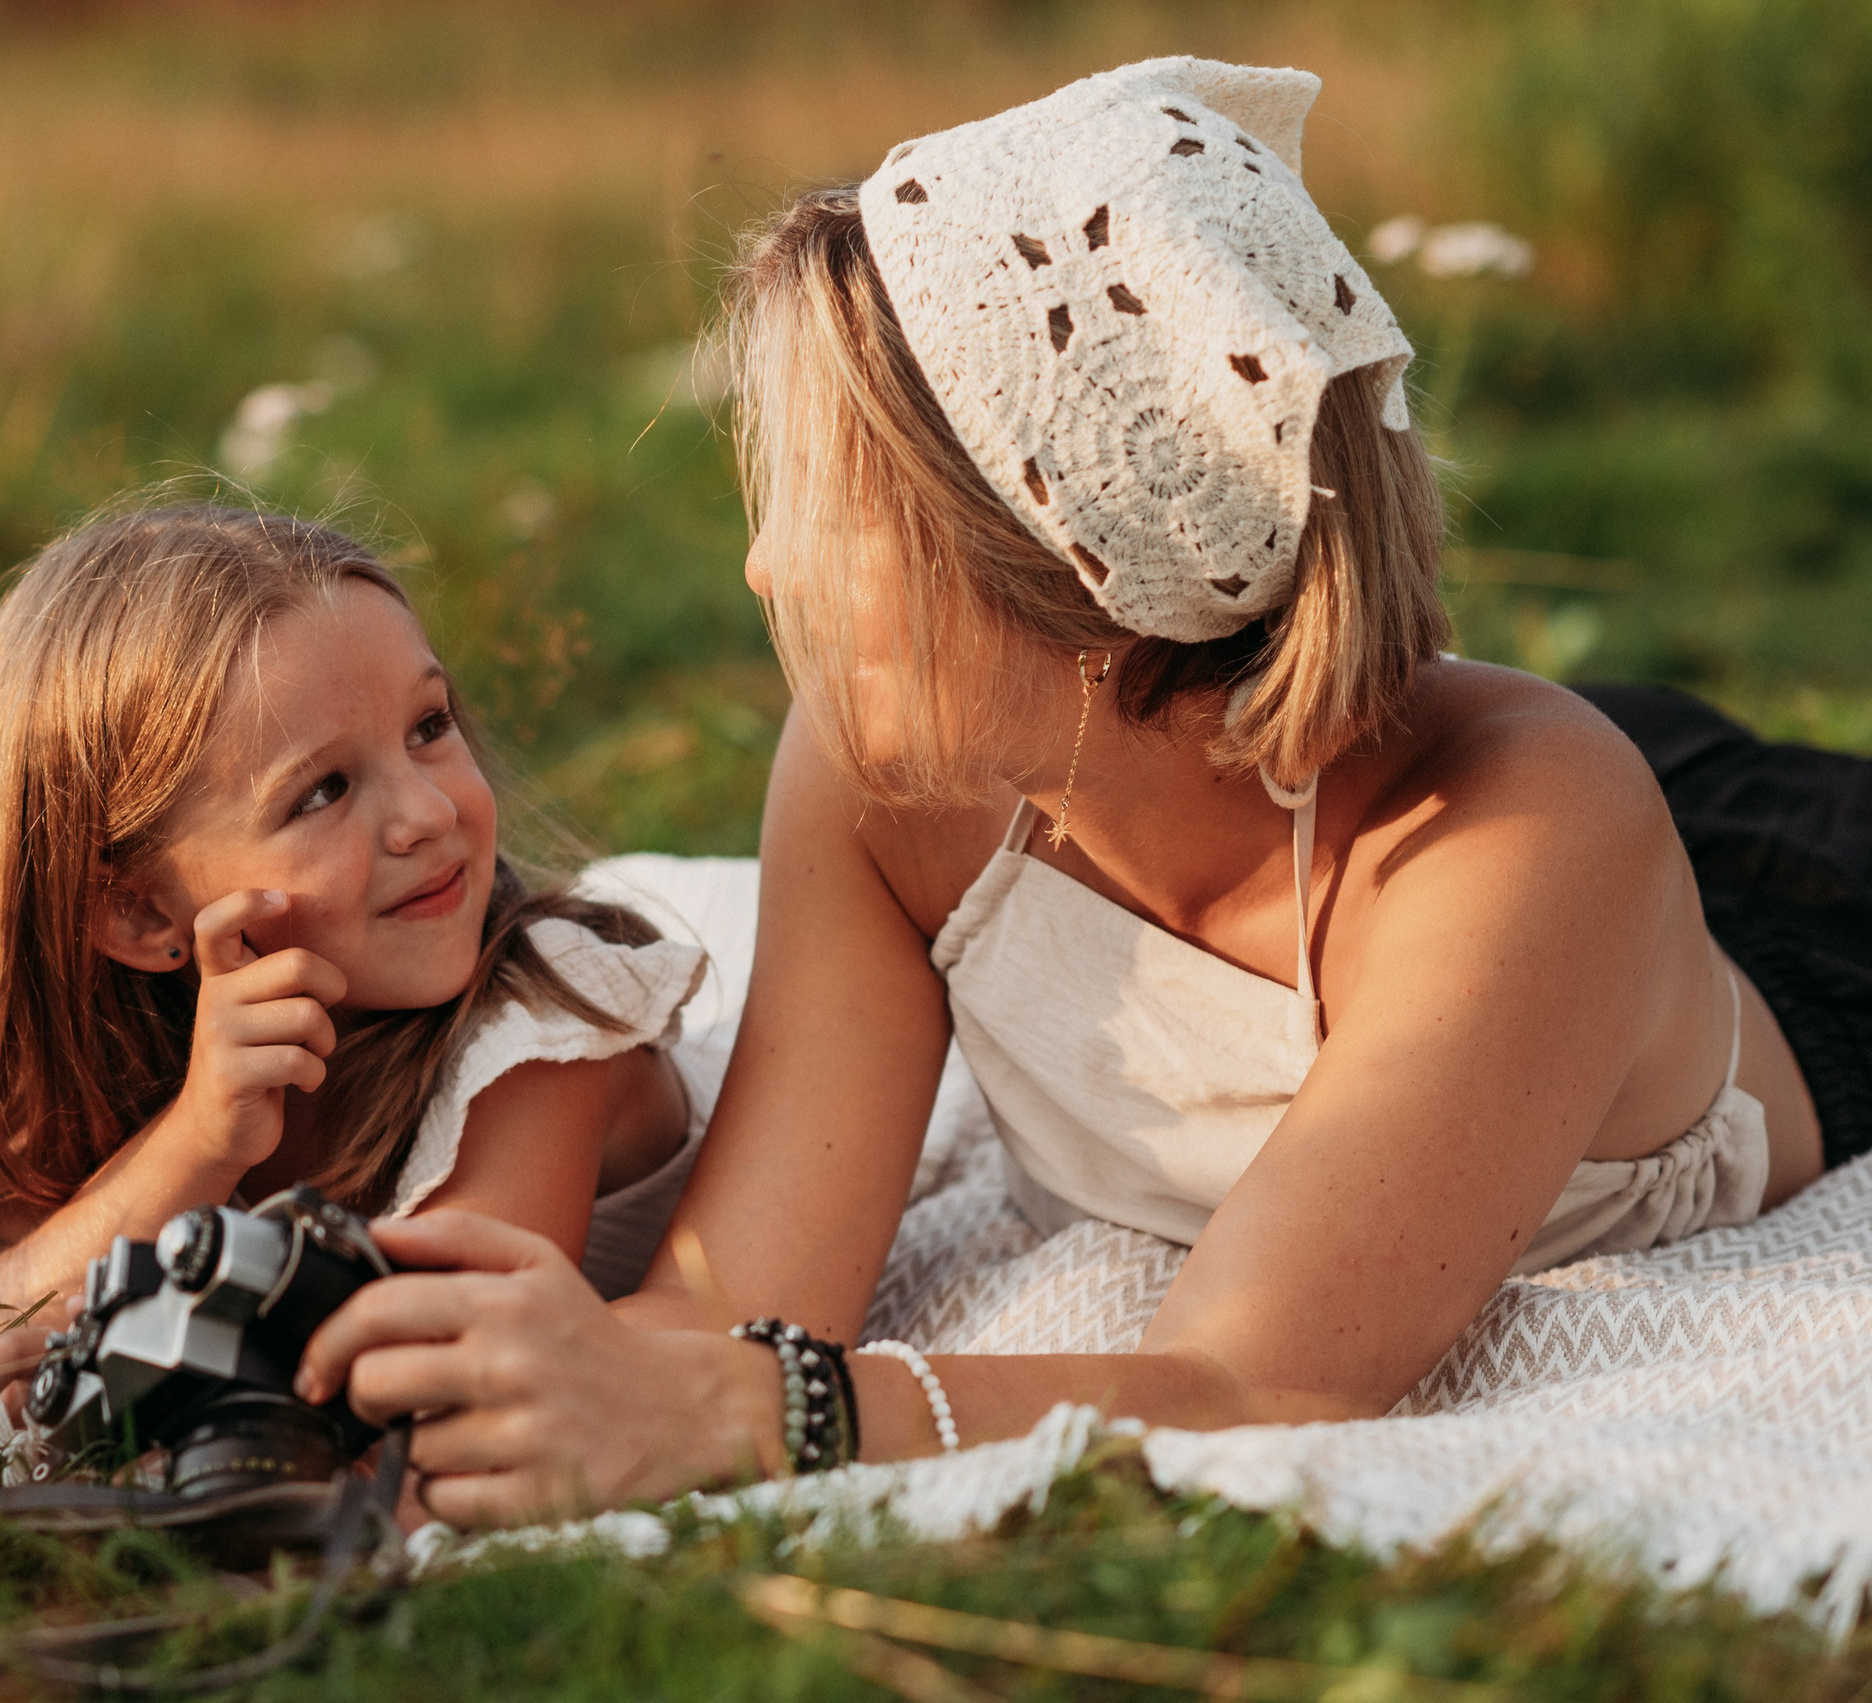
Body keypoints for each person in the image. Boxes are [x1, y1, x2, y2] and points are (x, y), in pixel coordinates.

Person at [290, 57, 1869, 1527]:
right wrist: (495, 1397)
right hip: (1335, 787)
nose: (762, 566)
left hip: (1785, 906)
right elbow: (732, 1304)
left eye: (827, 510)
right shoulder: (875, 772)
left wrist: (757, 1414)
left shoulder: (1520, 835)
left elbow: (1256, 1379)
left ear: (1055, 557)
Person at [0, 503, 706, 1444]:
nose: (428, 811)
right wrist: (198, 1142)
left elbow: (436, 1361)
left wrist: (117, 1336)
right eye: (323, 790)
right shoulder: (157, 1058)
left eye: (429, 724)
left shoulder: (547, 1022)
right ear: (141, 913)